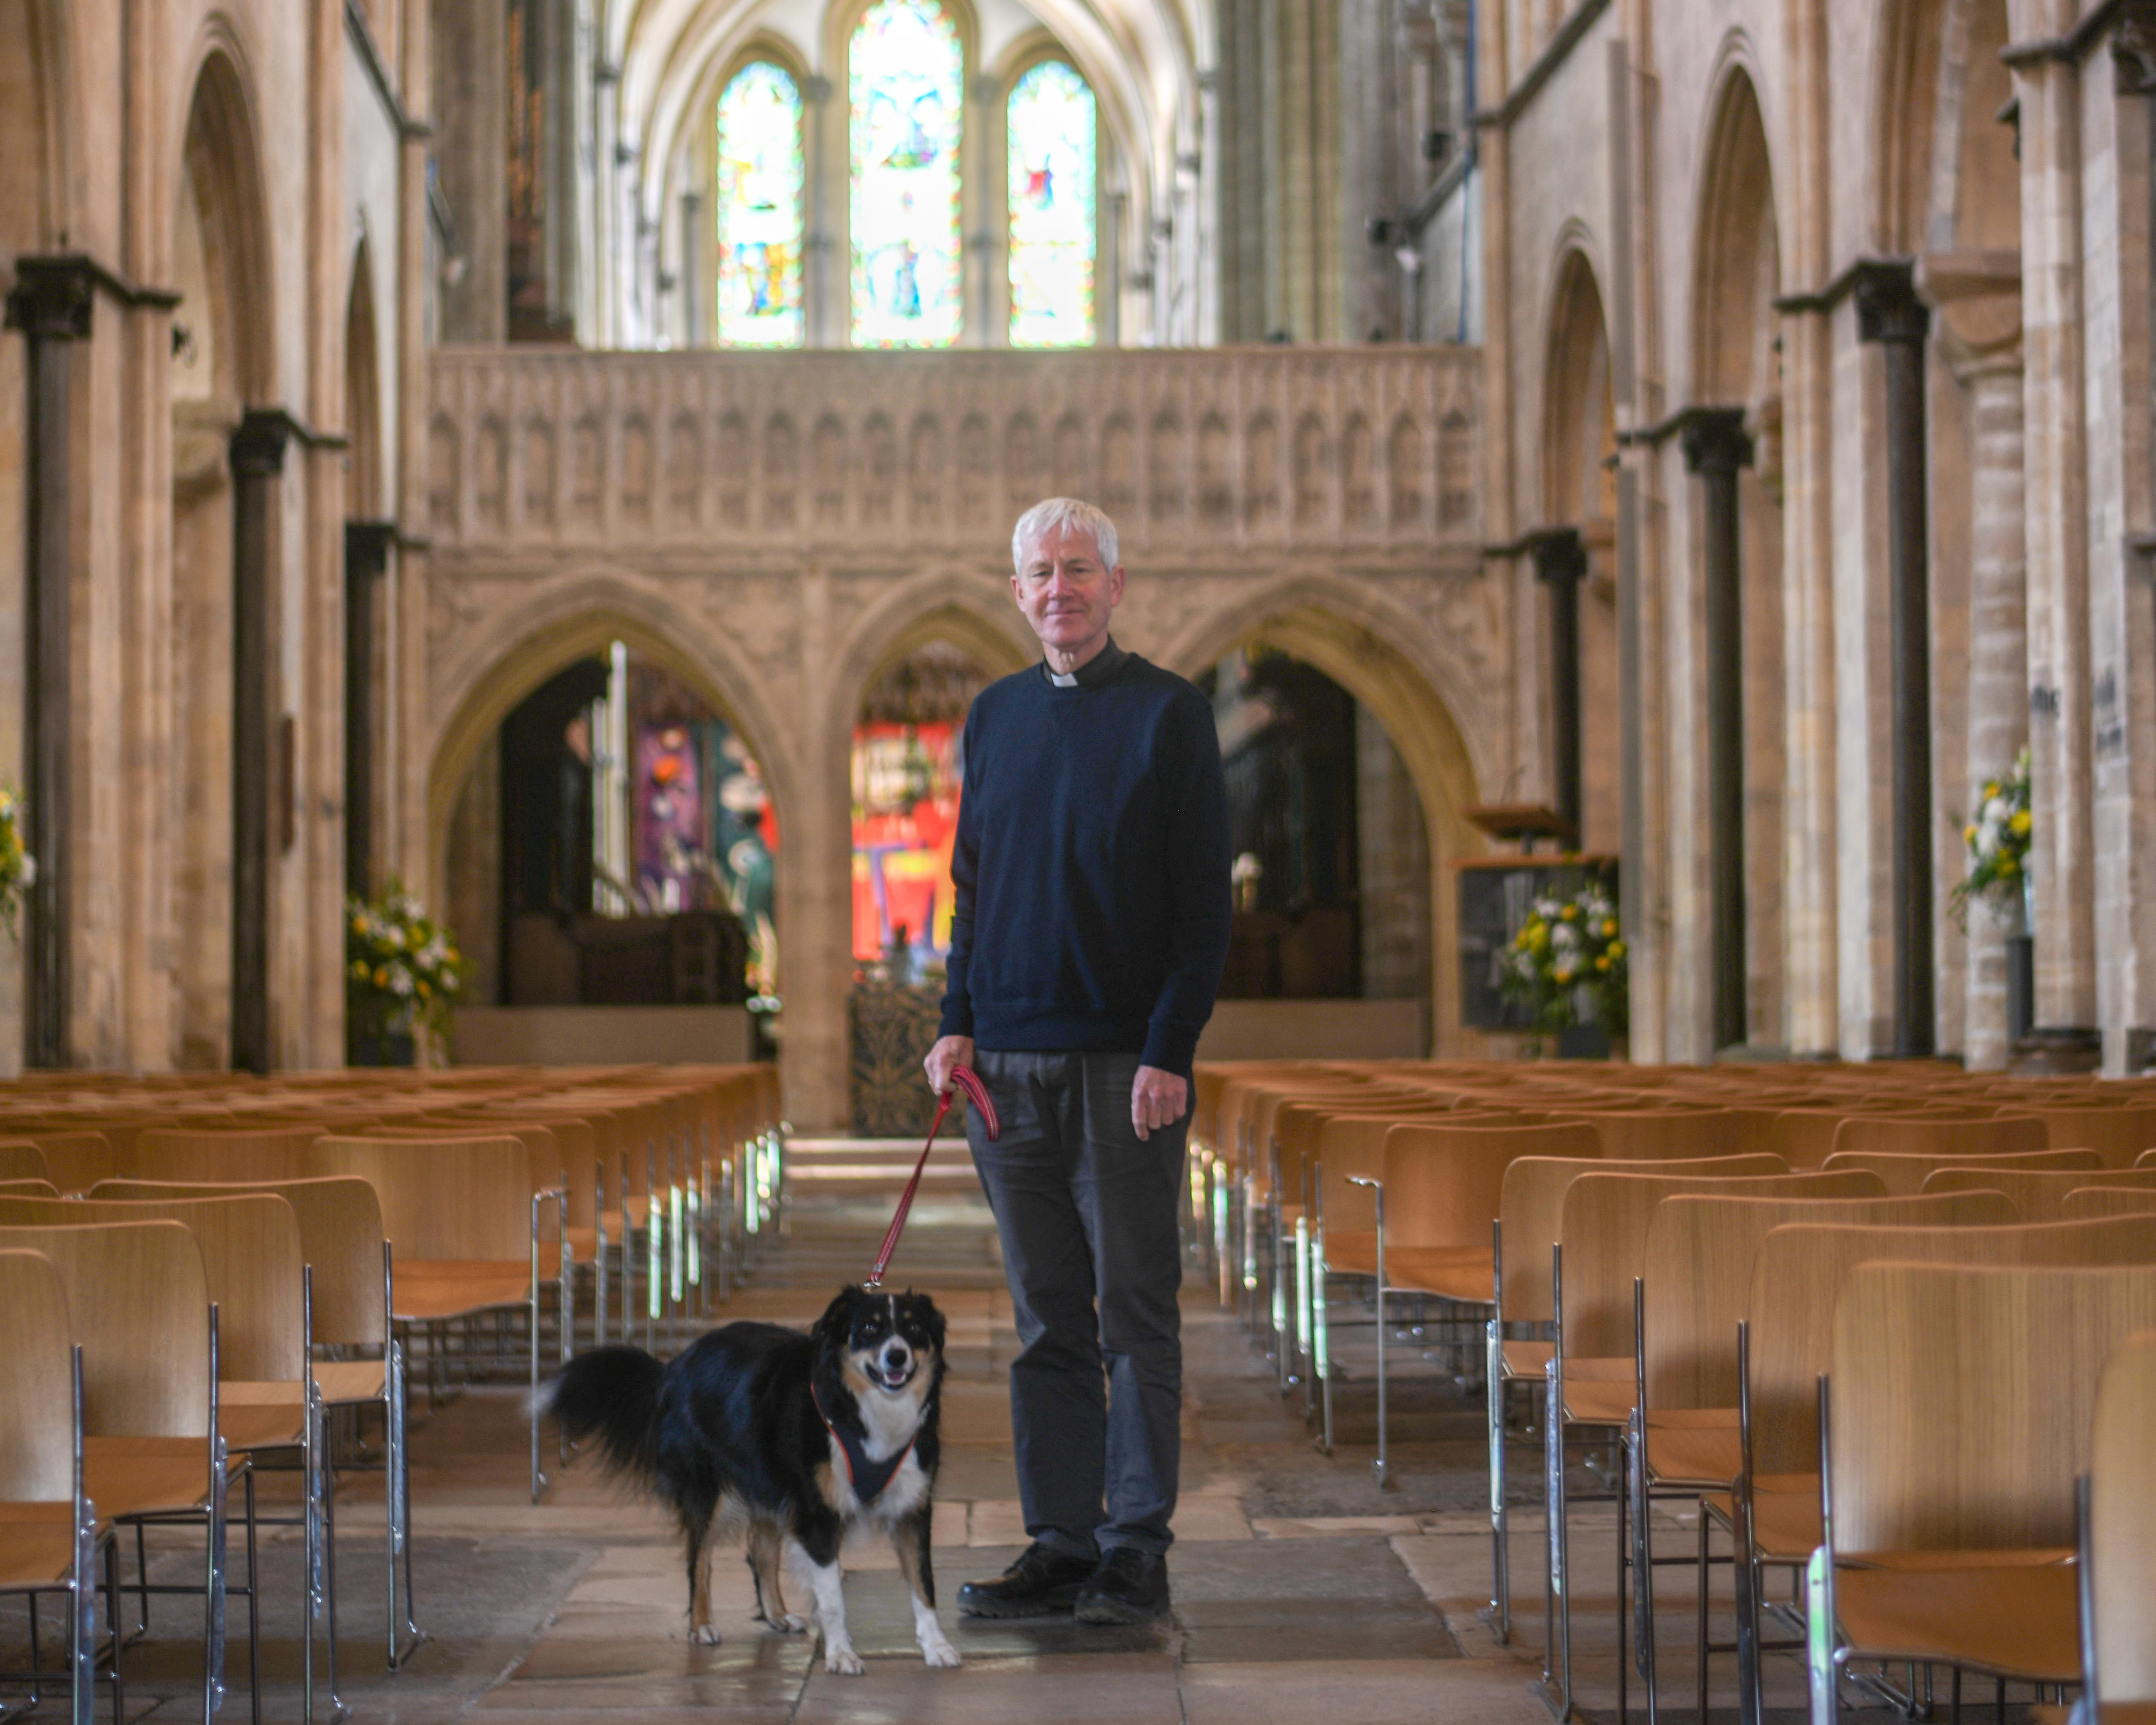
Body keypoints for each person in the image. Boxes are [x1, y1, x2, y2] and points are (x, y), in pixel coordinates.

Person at [923, 497, 1232, 1626]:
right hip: (1003, 1068)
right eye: (1041, 572)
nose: (1060, 588)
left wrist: (1169, 1048)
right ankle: (1059, 1538)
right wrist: (955, 1017)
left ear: (1115, 584)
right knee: (1044, 1317)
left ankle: (1133, 1547)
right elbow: (972, 885)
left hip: (1120, 1068)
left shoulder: (1169, 714)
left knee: (1132, 1311)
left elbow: (1204, 911)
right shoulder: (995, 716)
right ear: (1017, 592)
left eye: (1079, 569)